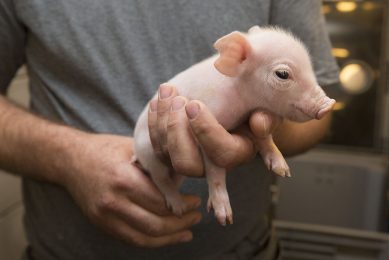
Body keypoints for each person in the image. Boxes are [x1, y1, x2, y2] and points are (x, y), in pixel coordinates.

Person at [0, 0, 339, 259]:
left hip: (246, 250)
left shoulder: (262, 62)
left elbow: (320, 112)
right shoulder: (235, 64)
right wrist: (67, 157)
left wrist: (264, 132)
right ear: (235, 56)